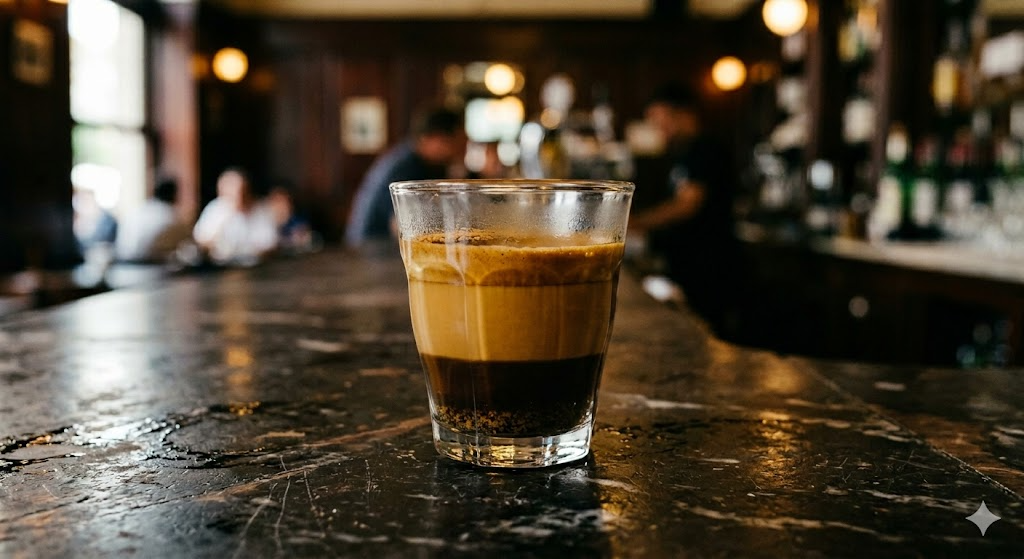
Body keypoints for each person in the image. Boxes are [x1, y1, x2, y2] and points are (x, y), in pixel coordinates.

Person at [628, 83, 739, 334]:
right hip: (689, 260)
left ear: (680, 113)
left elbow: (687, 204)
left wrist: (634, 222)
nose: (657, 127)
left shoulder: (705, 148)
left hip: (709, 261)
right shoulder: (682, 152)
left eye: (659, 118)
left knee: (708, 334)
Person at [345, 106, 467, 247]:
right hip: (370, 249)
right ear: (435, 138)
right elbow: (401, 225)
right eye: (458, 141)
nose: (461, 149)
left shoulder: (422, 162)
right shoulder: (405, 167)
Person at [192, 167, 279, 266]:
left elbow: (271, 244)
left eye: (240, 191)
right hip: (221, 267)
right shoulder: (215, 209)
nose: (236, 196)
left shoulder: (261, 209)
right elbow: (201, 241)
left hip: (257, 266)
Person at [115, 177, 192, 263]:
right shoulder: (172, 216)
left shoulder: (139, 209)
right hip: (152, 268)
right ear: (174, 194)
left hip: (121, 265)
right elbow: (189, 242)